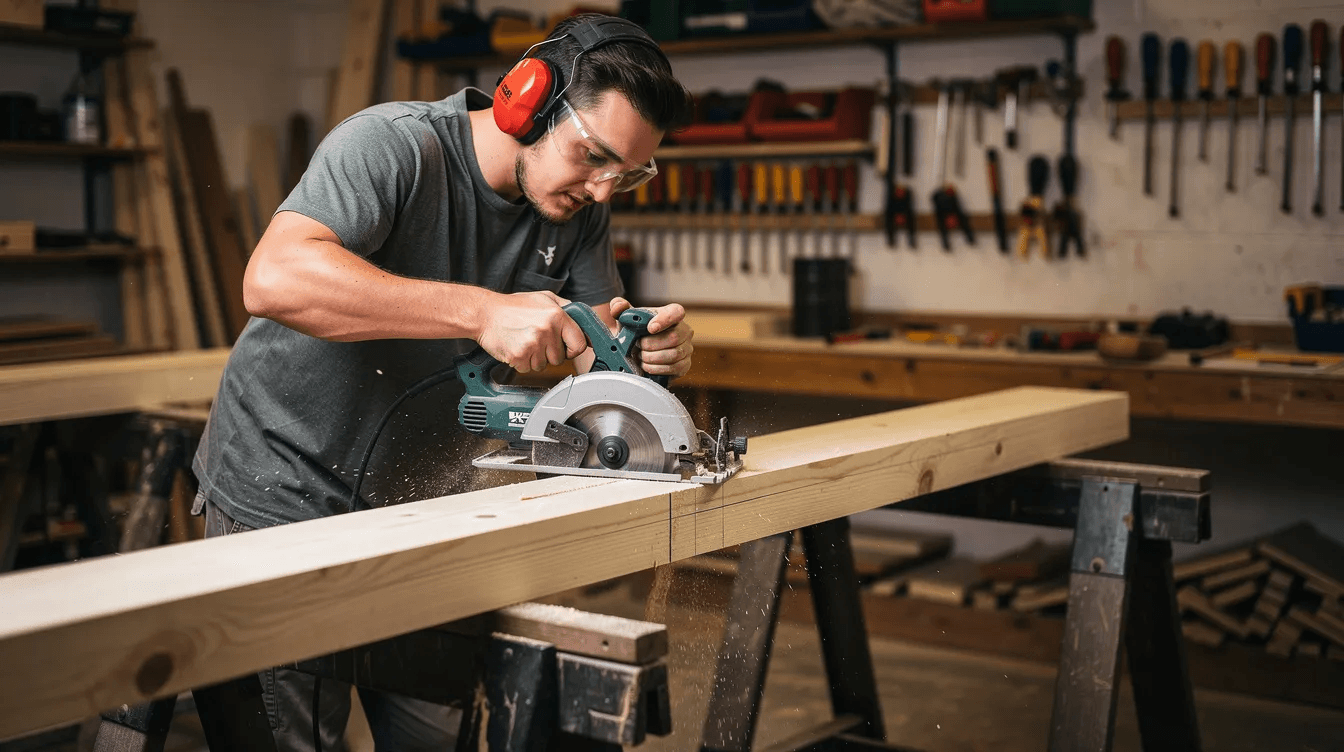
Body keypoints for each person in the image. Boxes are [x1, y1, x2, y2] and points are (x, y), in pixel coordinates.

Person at [190, 13, 695, 750]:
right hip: (281, 499)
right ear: (528, 99)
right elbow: (271, 279)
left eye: (628, 174)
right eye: (592, 157)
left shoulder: (576, 207)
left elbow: (593, 355)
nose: (603, 190)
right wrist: (479, 310)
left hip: (426, 514)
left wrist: (644, 354)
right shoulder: (393, 147)